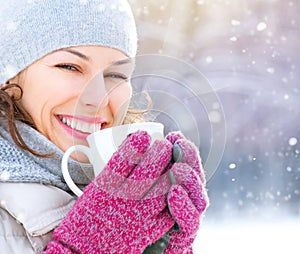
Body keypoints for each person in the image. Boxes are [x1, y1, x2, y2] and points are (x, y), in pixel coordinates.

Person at [0, 0, 208, 253]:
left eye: (116, 75)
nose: (97, 97)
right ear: (7, 77)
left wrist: (162, 247)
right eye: (70, 67)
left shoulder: (130, 201)